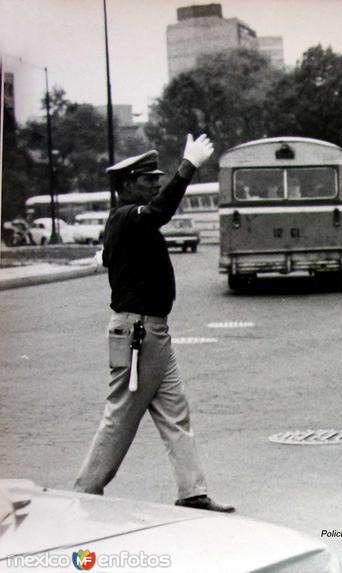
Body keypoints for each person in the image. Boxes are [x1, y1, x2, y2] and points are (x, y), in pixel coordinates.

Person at [74, 134, 234, 513]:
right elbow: (160, 211)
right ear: (127, 185)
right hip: (139, 333)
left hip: (150, 332)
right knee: (121, 416)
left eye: (157, 178)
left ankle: (192, 492)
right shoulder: (129, 216)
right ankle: (82, 493)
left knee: (175, 411)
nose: (155, 184)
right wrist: (188, 167)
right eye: (148, 179)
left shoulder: (127, 223)